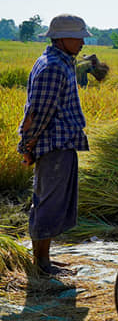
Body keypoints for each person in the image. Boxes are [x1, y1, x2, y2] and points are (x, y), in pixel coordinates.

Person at [17, 14, 91, 276]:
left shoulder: (62, 62)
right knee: (48, 202)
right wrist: (27, 147)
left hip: (62, 142)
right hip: (54, 144)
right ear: (62, 39)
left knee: (53, 201)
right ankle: (42, 264)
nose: (83, 42)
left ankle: (44, 259)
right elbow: (38, 112)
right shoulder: (53, 67)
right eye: (79, 37)